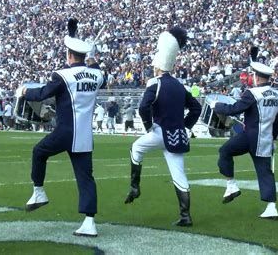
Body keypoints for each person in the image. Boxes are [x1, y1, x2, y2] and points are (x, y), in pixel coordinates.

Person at [19, 18, 105, 236]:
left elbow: (42, 93)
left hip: (66, 131)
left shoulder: (63, 75)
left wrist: (24, 92)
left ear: (68, 54)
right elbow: (97, 71)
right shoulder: (97, 75)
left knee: (39, 152)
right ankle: (89, 221)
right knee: (86, 178)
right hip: (84, 135)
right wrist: (92, 58)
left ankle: (39, 191)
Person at [124, 27, 201, 227]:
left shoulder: (155, 83)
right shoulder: (179, 85)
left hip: (160, 132)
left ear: (157, 66)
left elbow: (143, 107)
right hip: (178, 135)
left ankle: (135, 187)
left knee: (135, 149)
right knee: (179, 175)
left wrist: (149, 126)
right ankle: (186, 216)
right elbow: (196, 108)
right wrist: (186, 127)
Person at [210, 48, 278, 220]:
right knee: (265, 172)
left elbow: (235, 109)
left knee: (225, 151)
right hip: (265, 138)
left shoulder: (253, 93)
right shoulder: (277, 95)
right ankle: (272, 207)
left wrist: (217, 106)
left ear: (256, 76)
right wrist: (272, 137)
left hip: (250, 136)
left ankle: (231, 184)